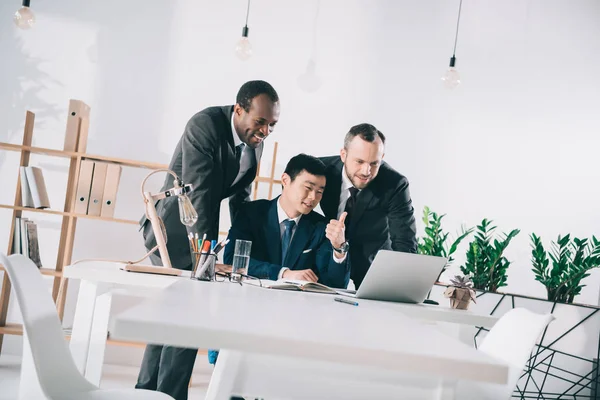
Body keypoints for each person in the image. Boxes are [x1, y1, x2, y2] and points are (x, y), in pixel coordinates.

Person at [136, 80, 280, 400]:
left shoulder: (254, 140)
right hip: (174, 232)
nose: (266, 131)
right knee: (186, 318)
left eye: (272, 125)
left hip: (201, 236)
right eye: (260, 122)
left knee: (171, 317)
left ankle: (147, 392)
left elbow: (239, 194)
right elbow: (198, 193)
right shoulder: (204, 125)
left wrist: (248, 236)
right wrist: (206, 257)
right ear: (239, 110)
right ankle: (166, 394)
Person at [208, 154, 350, 367]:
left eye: (320, 191)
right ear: (285, 180)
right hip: (248, 310)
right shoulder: (251, 213)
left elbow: (335, 284)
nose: (313, 197)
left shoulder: (320, 227)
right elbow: (233, 260)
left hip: (294, 323)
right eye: (308, 187)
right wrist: (284, 273)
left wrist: (339, 247)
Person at [319, 123, 417, 289]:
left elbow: (405, 243)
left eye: (374, 163)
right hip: (327, 262)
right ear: (343, 155)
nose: (366, 171)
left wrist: (399, 287)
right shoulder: (321, 170)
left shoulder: (395, 184)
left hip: (371, 269)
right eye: (359, 161)